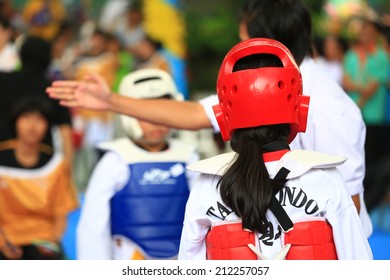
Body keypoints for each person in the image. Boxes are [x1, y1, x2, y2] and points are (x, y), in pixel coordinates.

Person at [46, 0, 372, 236]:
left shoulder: (330, 109)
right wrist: (110, 100)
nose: (239, 47)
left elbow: (348, 207)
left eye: (243, 41)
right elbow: (192, 113)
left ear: (264, 44)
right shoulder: (259, 85)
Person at [179, 38, 372, 260]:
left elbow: (189, 265)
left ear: (224, 116)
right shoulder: (325, 179)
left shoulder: (207, 185)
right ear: (299, 108)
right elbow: (358, 264)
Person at [76, 69, 199, 260]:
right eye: (146, 113)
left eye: (163, 112)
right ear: (128, 114)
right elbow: (93, 227)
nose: (156, 121)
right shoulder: (116, 160)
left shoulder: (189, 157)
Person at [0, 97, 79, 260]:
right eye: (26, 118)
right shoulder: (2, 158)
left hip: (44, 240)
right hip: (5, 237)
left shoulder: (55, 165)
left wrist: (52, 242)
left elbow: (60, 213)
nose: (32, 125)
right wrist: (2, 242)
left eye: (39, 119)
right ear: (15, 122)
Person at [0, 35, 74, 166]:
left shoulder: (3, 81)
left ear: (21, 56)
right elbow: (66, 133)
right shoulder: (55, 89)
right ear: (48, 59)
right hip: (42, 166)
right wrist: (67, 171)